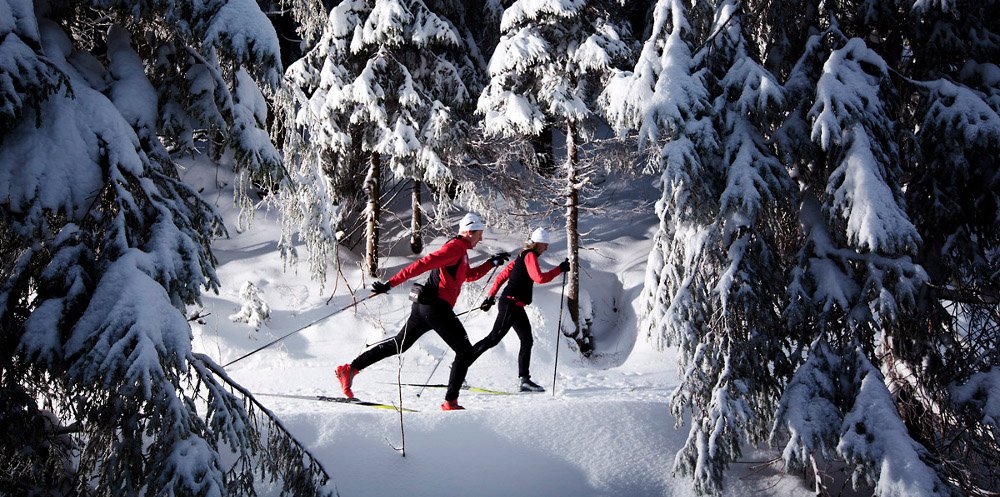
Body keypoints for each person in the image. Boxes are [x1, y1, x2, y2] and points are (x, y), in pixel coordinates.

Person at [335, 213, 509, 411]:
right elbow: (422, 264)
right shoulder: (454, 248)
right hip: (435, 307)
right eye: (479, 234)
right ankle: (450, 401)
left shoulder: (461, 252)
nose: (481, 238)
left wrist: (490, 263)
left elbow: (467, 276)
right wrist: (390, 283)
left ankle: (349, 369)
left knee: (399, 344)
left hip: (426, 306)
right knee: (465, 351)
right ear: (469, 232)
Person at [472, 227, 570, 392]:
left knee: (527, 340)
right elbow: (539, 278)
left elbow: (503, 276)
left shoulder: (522, 256)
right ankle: (461, 364)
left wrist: (490, 297)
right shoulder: (529, 255)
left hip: (515, 306)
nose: (547, 248)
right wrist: (559, 269)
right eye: (545, 244)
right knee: (493, 339)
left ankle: (524, 380)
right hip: (511, 304)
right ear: (539, 243)